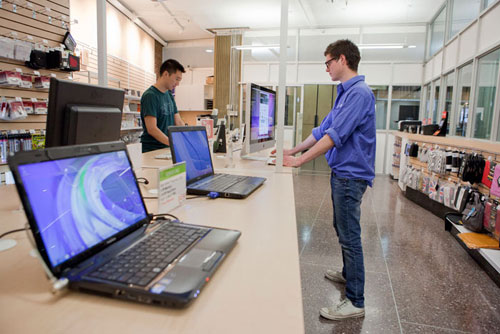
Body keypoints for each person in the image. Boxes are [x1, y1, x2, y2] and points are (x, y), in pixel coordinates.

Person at [280, 39, 376, 320]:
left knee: (349, 236)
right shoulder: (345, 93)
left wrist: (300, 161)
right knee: (342, 226)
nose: (326, 68)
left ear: (342, 60)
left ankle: (356, 301)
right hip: (342, 175)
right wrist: (293, 149)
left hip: (350, 176)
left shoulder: (359, 94)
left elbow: (334, 137)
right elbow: (323, 129)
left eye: (328, 62)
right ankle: (348, 275)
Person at [140, 59, 186, 153]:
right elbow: (152, 129)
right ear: (166, 74)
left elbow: (178, 121)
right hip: (152, 150)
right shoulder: (150, 95)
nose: (177, 84)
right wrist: (174, 143)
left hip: (166, 148)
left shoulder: (169, 94)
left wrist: (187, 139)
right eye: (176, 79)